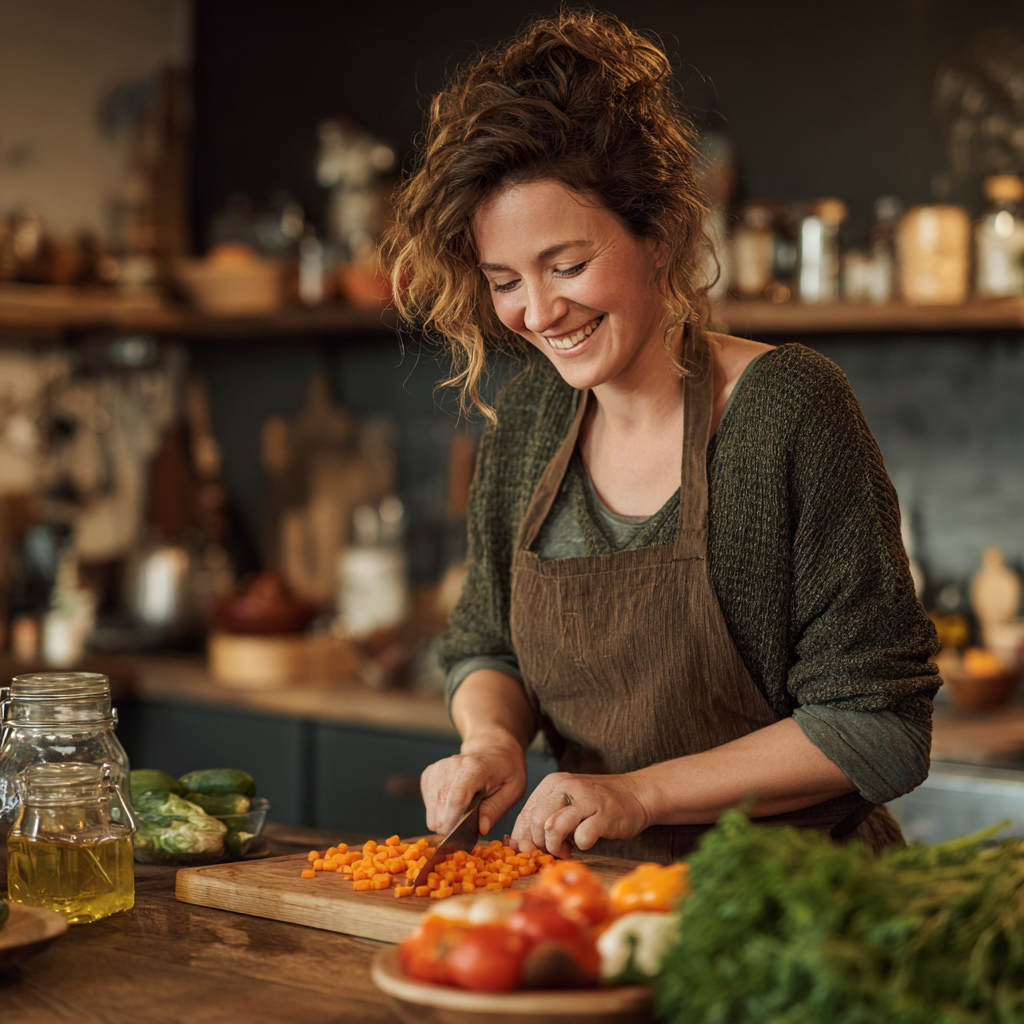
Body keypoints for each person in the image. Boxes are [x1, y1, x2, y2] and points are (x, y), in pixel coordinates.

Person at [384, 10, 940, 863]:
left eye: (567, 266)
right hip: (594, 902)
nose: (537, 312)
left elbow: (879, 725)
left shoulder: (788, 409)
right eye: (505, 280)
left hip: (794, 911)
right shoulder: (530, 420)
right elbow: (485, 644)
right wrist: (491, 741)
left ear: (662, 232)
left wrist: (639, 794)